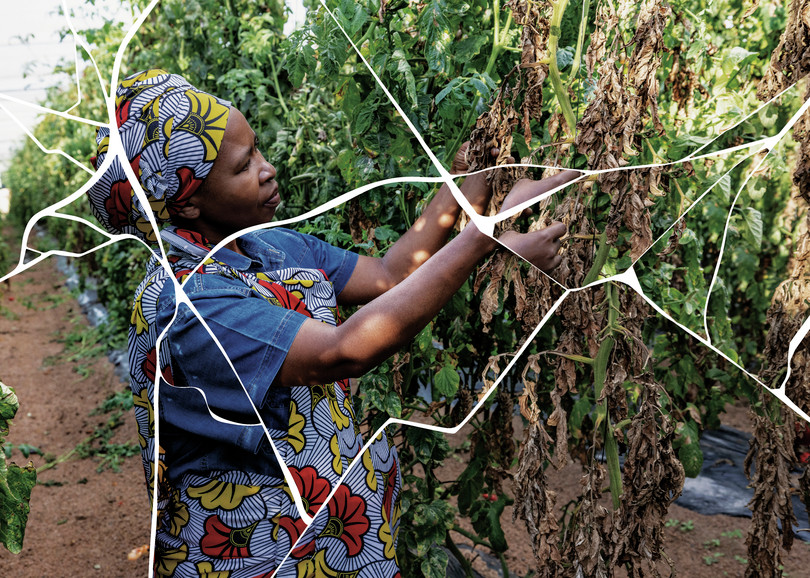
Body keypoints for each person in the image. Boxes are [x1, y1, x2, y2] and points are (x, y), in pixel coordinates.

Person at [86, 69, 576, 578]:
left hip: (328, 541)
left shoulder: (262, 243)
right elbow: (345, 351)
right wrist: (484, 239)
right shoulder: (186, 302)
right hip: (255, 556)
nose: (267, 169)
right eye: (242, 166)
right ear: (186, 201)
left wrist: (473, 176)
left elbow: (389, 274)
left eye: (256, 150)